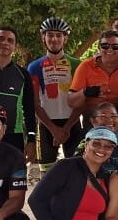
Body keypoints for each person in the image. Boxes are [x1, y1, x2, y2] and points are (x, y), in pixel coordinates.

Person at [27, 16, 84, 171]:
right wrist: (53, 129)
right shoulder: (34, 67)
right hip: (46, 125)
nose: (54, 39)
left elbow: (81, 101)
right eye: (50, 35)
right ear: (43, 38)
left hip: (72, 124)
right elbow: (35, 103)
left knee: (77, 169)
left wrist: (65, 128)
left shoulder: (77, 65)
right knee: (46, 171)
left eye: (59, 35)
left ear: (65, 38)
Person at [0, 26, 37, 162]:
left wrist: (31, 139)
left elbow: (29, 109)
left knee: (13, 181)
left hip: (14, 136)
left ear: (15, 46)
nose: (5, 43)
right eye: (0, 39)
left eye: (10, 40)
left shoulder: (23, 74)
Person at [68, 30, 118, 117]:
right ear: (99, 48)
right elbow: (71, 102)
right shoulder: (85, 66)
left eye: (115, 46)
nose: (110, 49)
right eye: (105, 46)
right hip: (93, 118)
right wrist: (85, 92)